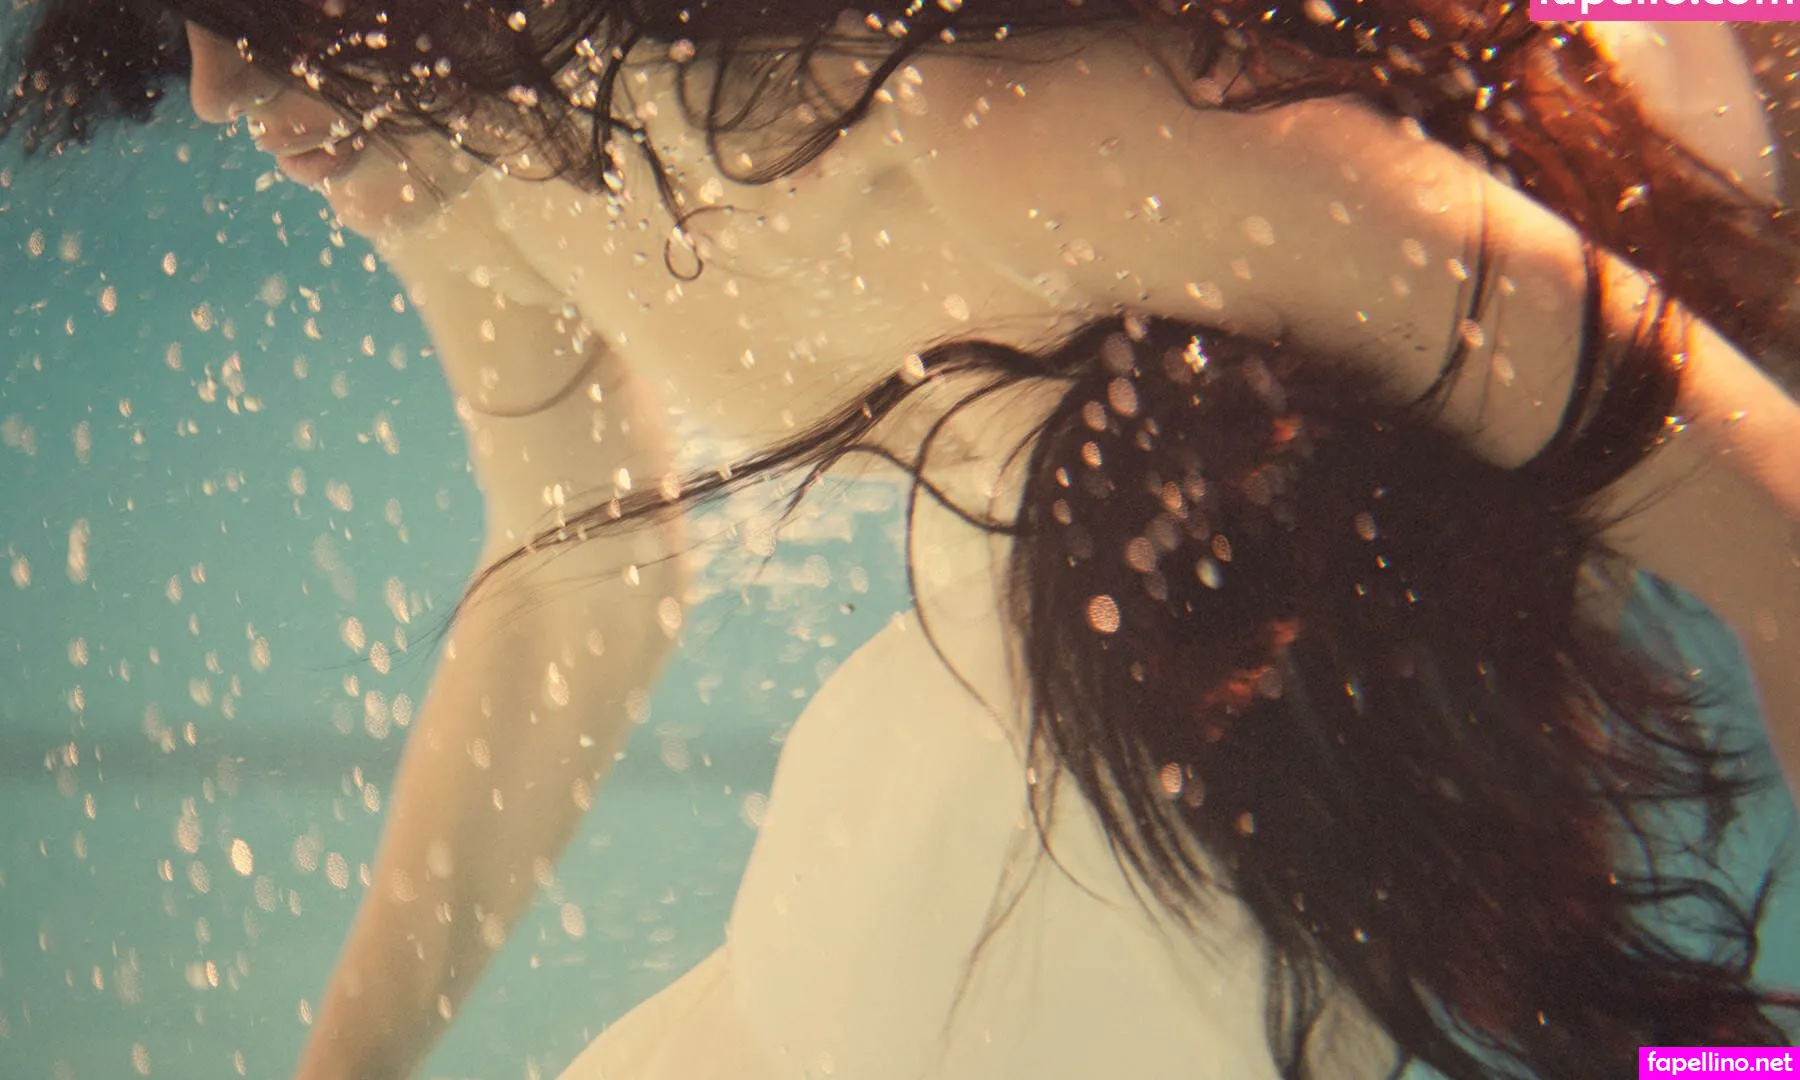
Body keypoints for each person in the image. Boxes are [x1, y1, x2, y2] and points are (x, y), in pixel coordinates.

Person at [5, 3, 1798, 1077]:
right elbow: (575, 580)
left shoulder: (1017, 117)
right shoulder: (471, 142)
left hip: (1608, 139)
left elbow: (1779, 537)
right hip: (1138, 561)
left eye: (260, 11)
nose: (217, 92)